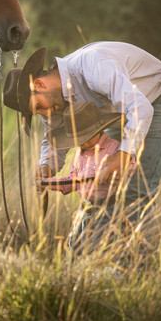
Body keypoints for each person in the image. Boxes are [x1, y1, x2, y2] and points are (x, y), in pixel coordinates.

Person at [3, 42, 161, 240]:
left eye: (39, 107)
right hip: (119, 113)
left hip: (157, 100)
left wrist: (124, 154)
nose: (44, 114)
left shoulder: (93, 66)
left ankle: (139, 265)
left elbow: (140, 108)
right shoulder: (53, 100)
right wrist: (46, 166)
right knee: (106, 193)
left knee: (136, 191)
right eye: (37, 112)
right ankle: (104, 261)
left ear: (39, 84)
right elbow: (53, 140)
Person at [42, 102, 138, 254]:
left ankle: (97, 273)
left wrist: (111, 172)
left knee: (98, 245)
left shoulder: (114, 148)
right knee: (74, 244)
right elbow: (73, 181)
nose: (82, 143)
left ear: (98, 130)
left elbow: (132, 166)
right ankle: (72, 272)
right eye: (77, 140)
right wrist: (48, 184)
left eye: (85, 138)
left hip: (107, 209)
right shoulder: (79, 154)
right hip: (85, 208)